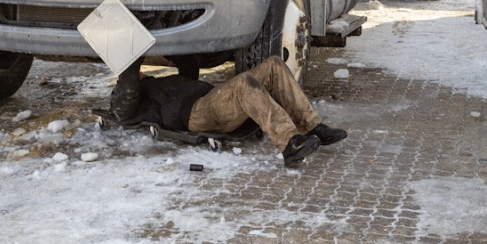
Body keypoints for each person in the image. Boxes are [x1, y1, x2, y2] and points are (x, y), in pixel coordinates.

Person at [109, 56, 347, 167]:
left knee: (273, 64)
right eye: (135, 75)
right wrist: (130, 61)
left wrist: (171, 44)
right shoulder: (135, 98)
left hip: (211, 100)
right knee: (244, 83)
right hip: (195, 114)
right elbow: (124, 102)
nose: (140, 75)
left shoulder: (164, 81)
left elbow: (190, 66)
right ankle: (289, 144)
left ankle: (312, 125)